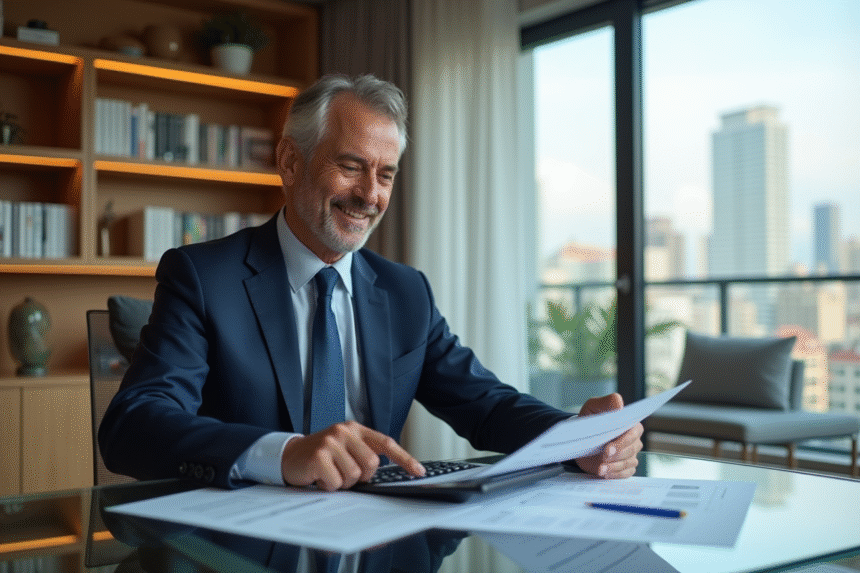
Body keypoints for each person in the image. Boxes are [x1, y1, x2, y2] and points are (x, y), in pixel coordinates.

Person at [98, 74, 643, 494]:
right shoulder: (203, 277)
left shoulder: (405, 292)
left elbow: (486, 405)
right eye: (351, 166)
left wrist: (578, 437)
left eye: (385, 175)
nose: (370, 195)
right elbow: (132, 426)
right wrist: (283, 453)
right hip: (239, 548)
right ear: (291, 162)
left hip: (378, 541)